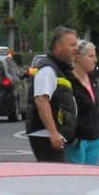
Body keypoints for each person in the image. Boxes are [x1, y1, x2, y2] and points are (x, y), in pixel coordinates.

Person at [29, 26, 80, 162]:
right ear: (58, 46)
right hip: (46, 135)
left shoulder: (60, 69)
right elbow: (41, 100)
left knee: (57, 178)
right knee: (55, 178)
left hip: (52, 135)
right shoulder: (47, 70)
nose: (76, 49)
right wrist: (53, 132)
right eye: (72, 45)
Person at [65, 40, 99, 165]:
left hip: (95, 138)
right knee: (77, 179)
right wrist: (72, 139)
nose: (95, 60)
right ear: (78, 58)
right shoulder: (68, 80)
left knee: (92, 178)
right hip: (77, 140)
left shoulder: (92, 79)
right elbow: (65, 110)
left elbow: (95, 108)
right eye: (91, 56)